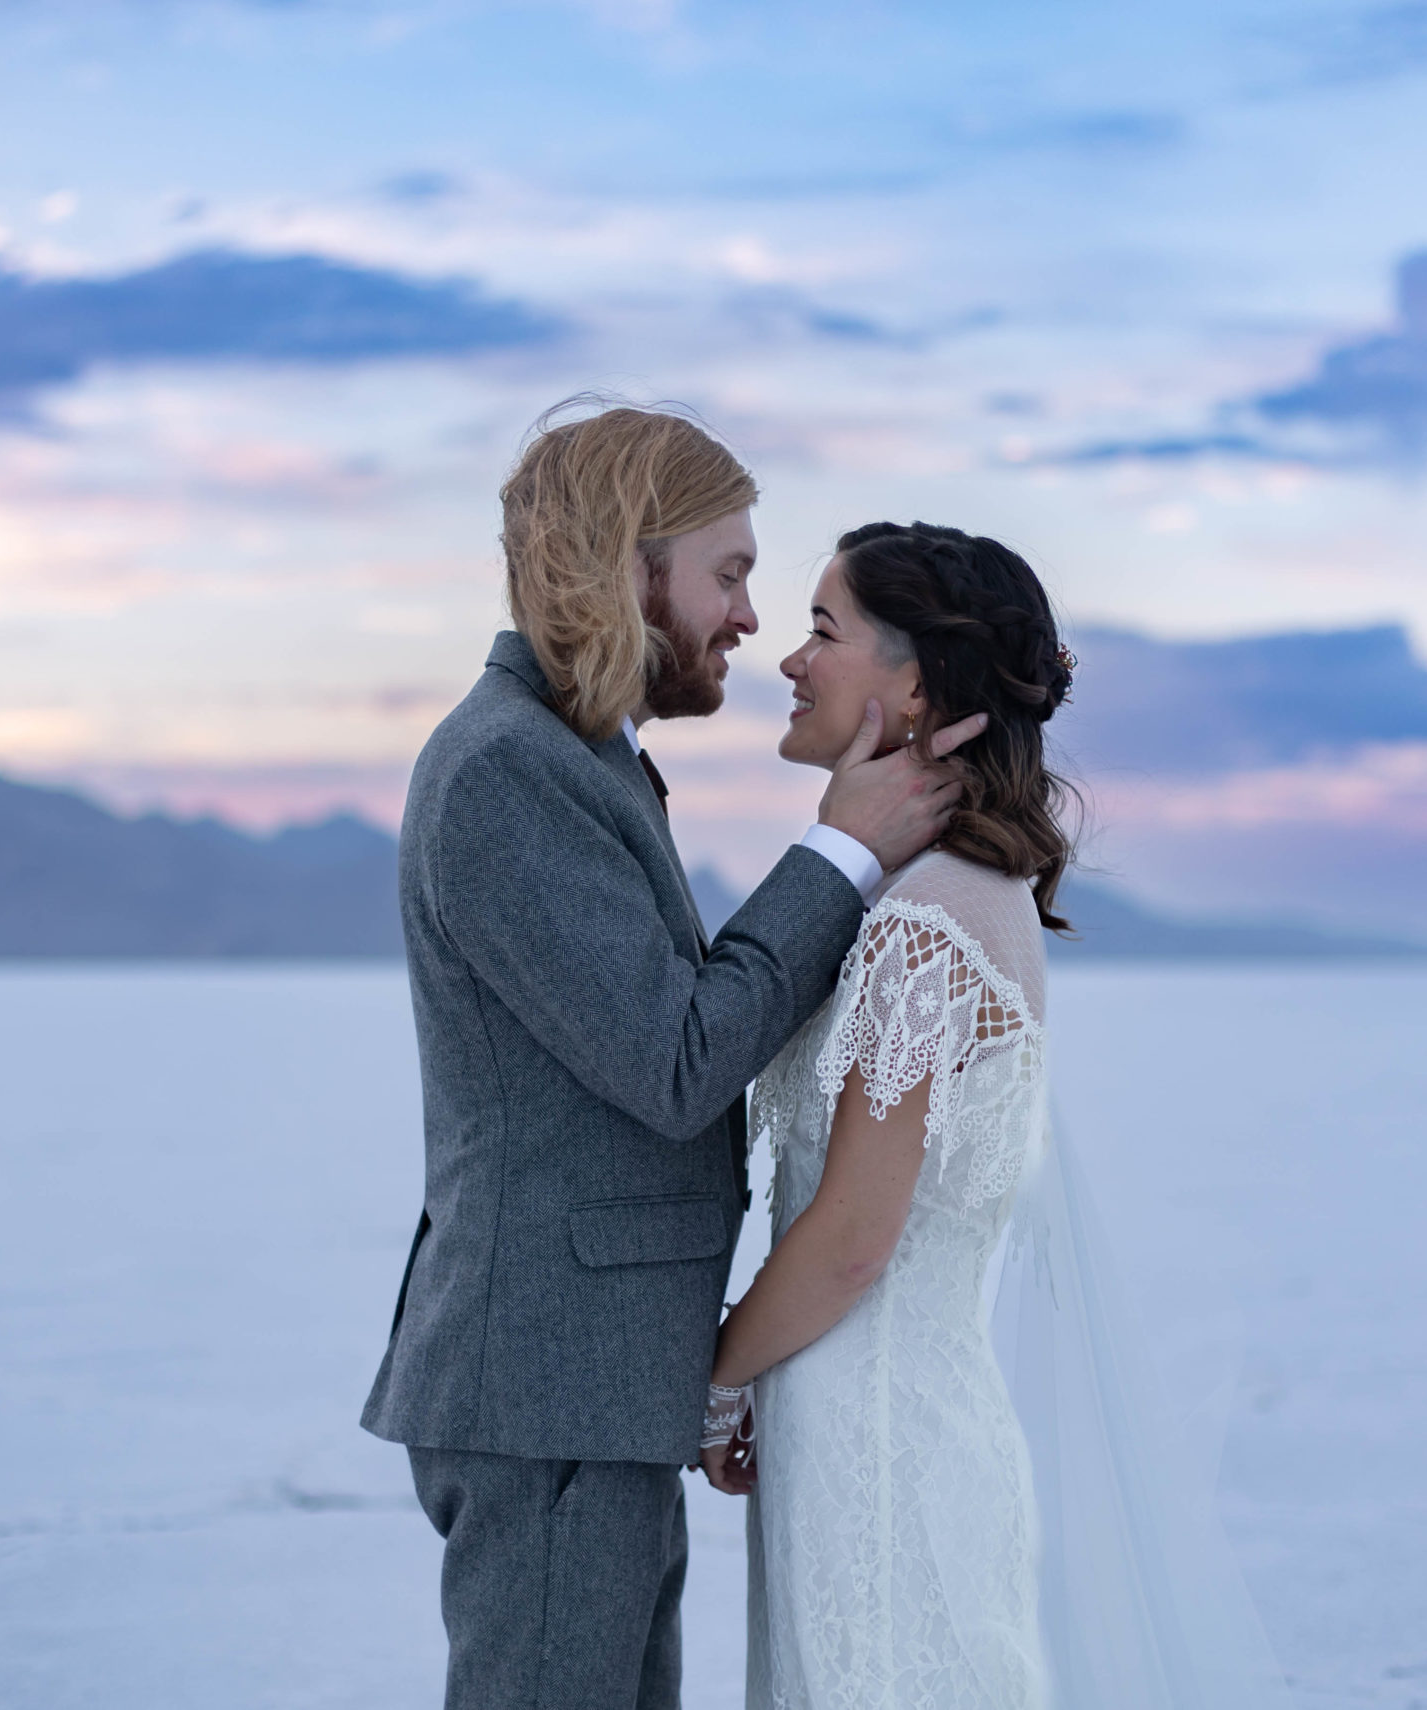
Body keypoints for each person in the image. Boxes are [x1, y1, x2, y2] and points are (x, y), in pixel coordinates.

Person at [359, 409, 987, 1710]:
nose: (749, 617)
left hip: (592, 1384)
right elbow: (677, 1055)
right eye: (729, 571)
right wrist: (841, 853)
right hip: (548, 1390)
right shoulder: (506, 772)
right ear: (625, 566)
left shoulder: (580, 760)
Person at [703, 521, 1072, 1708]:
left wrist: (713, 1381)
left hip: (881, 1462)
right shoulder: (949, 892)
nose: (788, 658)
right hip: (859, 1434)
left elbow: (857, 1237)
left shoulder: (928, 923)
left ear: (915, 687)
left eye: (821, 630)